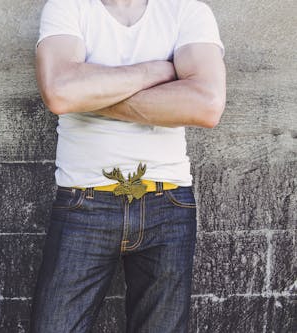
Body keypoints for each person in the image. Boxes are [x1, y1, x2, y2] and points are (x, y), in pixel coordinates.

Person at [29, 0, 226, 332]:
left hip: (168, 201)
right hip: (84, 201)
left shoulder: (187, 11)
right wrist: (156, 72)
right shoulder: (68, 7)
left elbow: (206, 106)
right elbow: (61, 93)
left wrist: (92, 92)